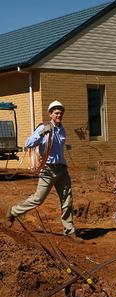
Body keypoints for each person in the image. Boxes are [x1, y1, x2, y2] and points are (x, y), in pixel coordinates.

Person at [6, 100, 83, 243]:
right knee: (38, 199)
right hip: (48, 170)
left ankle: (69, 231)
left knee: (67, 200)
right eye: (56, 113)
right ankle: (13, 211)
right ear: (50, 114)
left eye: (61, 113)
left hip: (62, 170)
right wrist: (41, 133)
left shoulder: (62, 129)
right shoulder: (43, 128)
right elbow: (28, 143)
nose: (59, 115)